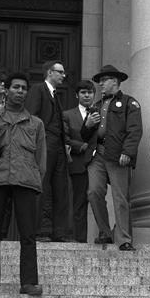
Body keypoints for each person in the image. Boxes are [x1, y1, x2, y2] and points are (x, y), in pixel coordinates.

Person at [0, 71, 45, 296]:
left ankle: (29, 282)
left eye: (23, 88)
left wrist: (37, 180)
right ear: (6, 89)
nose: (19, 91)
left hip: (26, 181)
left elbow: (41, 159)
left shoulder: (36, 124)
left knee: (28, 235)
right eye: (15, 87)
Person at [82, 64, 141, 251]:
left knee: (120, 197)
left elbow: (135, 131)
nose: (100, 84)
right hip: (97, 154)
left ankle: (123, 238)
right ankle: (105, 232)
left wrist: (128, 152)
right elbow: (84, 135)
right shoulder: (97, 105)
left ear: (115, 81)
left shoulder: (129, 103)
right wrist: (88, 125)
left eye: (104, 80)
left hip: (117, 155)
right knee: (93, 192)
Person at [25, 59, 72, 242]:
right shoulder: (38, 89)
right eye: (60, 72)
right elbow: (32, 117)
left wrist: (65, 143)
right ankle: (37, 231)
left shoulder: (55, 94)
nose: (63, 75)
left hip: (58, 147)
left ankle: (60, 233)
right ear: (49, 73)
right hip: (44, 145)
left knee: (61, 190)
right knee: (41, 187)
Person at [63, 79, 99, 243]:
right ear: (77, 95)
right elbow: (64, 138)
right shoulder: (68, 115)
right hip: (78, 164)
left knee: (98, 200)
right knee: (79, 203)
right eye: (83, 92)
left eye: (90, 92)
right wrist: (83, 146)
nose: (87, 95)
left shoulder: (101, 113)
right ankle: (79, 240)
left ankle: (104, 235)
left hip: (98, 164)